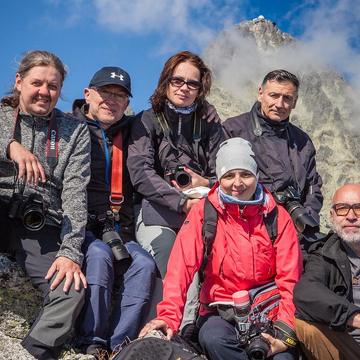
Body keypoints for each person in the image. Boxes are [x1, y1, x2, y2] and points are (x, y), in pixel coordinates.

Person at [140, 137, 303, 360]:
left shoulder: (276, 217)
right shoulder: (205, 214)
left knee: (283, 358)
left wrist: (284, 331)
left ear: (256, 176)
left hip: (269, 312)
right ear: (219, 178)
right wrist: (169, 316)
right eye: (228, 175)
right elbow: (181, 267)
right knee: (214, 339)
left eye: (245, 174)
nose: (237, 183)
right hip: (220, 311)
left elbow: (290, 278)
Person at [0, 50, 90, 359]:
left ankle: (31, 353)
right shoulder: (1, 113)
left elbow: (76, 194)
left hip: (39, 223)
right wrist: (10, 146)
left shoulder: (75, 130)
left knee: (70, 289)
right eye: (37, 83)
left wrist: (70, 252)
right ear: (19, 81)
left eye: (53, 86)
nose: (44, 92)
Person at [72, 67, 156, 355]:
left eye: (120, 96)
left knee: (144, 264)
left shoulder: (134, 132)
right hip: (81, 226)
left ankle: (122, 345)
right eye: (106, 93)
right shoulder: (69, 127)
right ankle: (91, 341)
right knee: (98, 256)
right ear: (88, 94)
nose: (112, 100)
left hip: (121, 228)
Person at [127, 50, 223, 279]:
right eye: (177, 80)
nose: (184, 88)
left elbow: (226, 174)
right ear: (166, 82)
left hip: (203, 212)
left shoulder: (209, 123)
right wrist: (181, 202)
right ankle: (179, 316)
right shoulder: (146, 120)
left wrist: (207, 182)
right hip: (156, 213)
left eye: (192, 83)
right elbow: (140, 172)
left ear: (201, 89)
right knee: (176, 263)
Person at [222, 70, 323, 244]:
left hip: (294, 232)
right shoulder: (233, 130)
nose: (279, 104)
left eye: (287, 98)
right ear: (260, 93)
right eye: (273, 95)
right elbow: (221, 180)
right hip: (246, 230)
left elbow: (313, 185)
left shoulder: (302, 141)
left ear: (295, 102)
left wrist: (306, 217)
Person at [294, 183, 360, 360]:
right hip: (348, 344)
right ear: (332, 215)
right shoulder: (325, 252)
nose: (351, 216)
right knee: (304, 326)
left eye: (358, 208)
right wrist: (353, 316)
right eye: (342, 209)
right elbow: (305, 292)